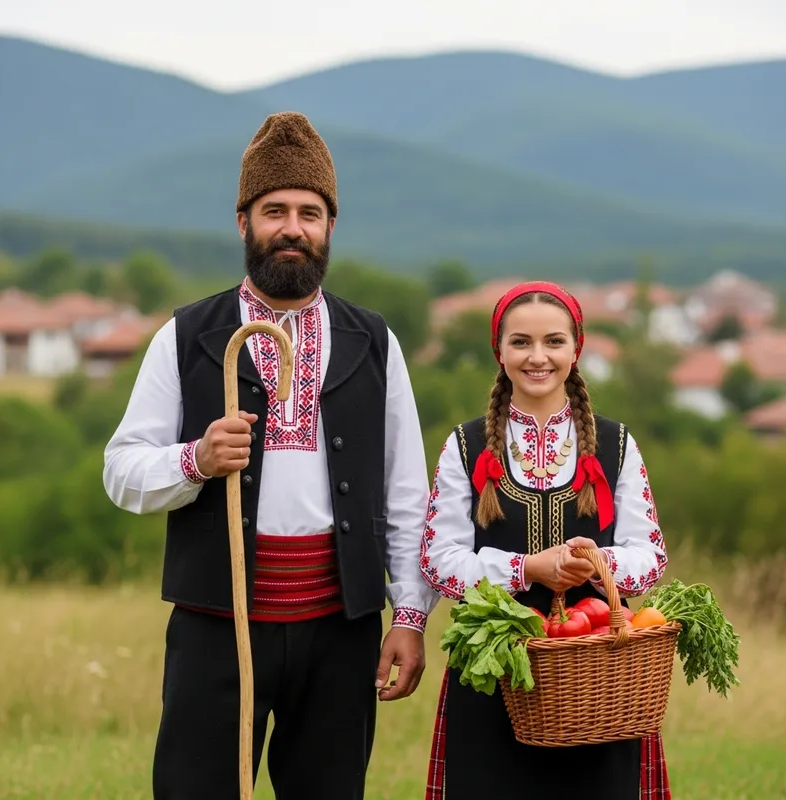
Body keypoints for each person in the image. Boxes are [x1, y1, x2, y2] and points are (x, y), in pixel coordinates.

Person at [102, 111, 439, 800]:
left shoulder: (374, 341)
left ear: (330, 228)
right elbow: (122, 471)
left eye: (309, 213)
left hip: (340, 631)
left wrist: (408, 617)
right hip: (217, 626)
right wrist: (194, 460)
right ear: (243, 222)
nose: (292, 227)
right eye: (274, 210)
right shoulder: (187, 335)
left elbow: (406, 493)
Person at [420, 281, 671, 800]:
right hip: (491, 670)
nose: (538, 357)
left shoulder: (616, 443)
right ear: (499, 351)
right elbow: (438, 560)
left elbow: (650, 557)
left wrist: (593, 560)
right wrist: (525, 570)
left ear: (576, 349)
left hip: (597, 673)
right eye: (521, 342)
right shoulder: (464, 446)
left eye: (554, 342)